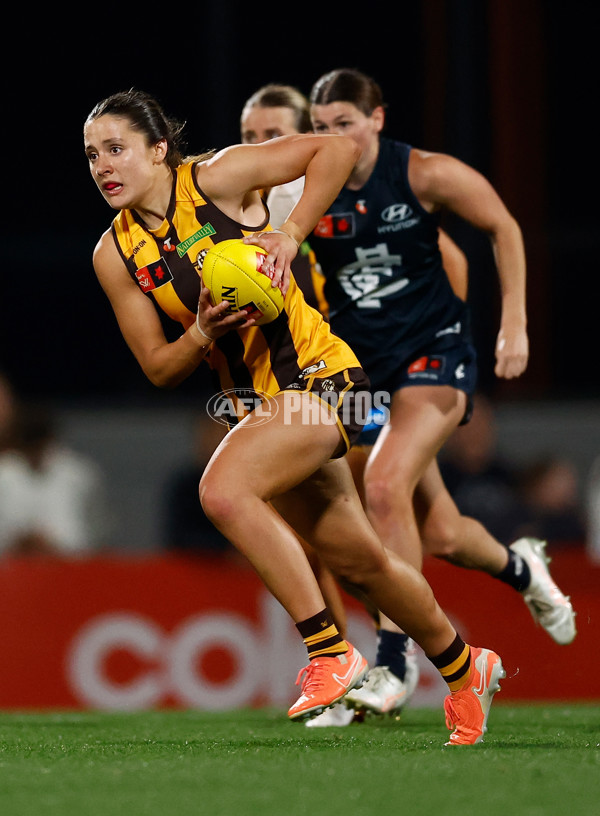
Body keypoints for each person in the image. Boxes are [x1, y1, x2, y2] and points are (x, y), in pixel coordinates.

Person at [84, 88, 506, 745]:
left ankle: (330, 652)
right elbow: (160, 368)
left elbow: (334, 149)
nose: (103, 166)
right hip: (257, 408)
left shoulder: (217, 176)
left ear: (159, 150)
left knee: (223, 492)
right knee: (362, 563)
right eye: (91, 155)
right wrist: (201, 332)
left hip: (323, 377)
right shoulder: (114, 254)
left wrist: (290, 231)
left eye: (117, 149)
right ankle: (464, 666)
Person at [305, 68, 576, 719]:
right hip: (365, 374)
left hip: (435, 357)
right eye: (320, 127)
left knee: (383, 486)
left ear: (376, 119)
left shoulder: (423, 173)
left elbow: (503, 227)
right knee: (442, 533)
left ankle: (394, 664)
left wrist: (513, 323)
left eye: (345, 123)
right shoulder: (311, 190)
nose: (333, 137)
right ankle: (523, 569)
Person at [240, 81, 471, 727]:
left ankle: (384, 662)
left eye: (274, 135)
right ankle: (414, 663)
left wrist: (438, 344)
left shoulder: (317, 200)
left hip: (351, 379)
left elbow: (446, 258)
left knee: (377, 516)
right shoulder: (242, 212)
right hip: (285, 385)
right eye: (249, 136)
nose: (259, 146)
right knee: (371, 542)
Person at [0, 400, 112, 556]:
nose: (34, 451)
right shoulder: (5, 472)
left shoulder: (78, 473)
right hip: (12, 564)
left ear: (50, 438)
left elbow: (97, 532)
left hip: (70, 563)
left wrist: (53, 548)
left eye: (38, 442)